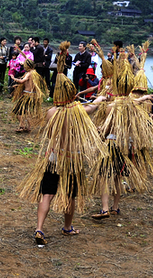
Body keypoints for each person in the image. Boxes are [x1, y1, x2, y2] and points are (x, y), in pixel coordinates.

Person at [19, 42, 107, 246]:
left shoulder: (51, 112)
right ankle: (67, 227)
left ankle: (39, 228)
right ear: (71, 93)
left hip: (53, 156)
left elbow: (50, 134)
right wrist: (101, 97)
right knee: (70, 194)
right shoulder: (79, 111)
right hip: (72, 159)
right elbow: (93, 106)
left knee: (47, 193)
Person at [90, 54, 153, 221]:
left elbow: (108, 129)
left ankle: (104, 208)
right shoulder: (133, 106)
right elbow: (134, 126)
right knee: (118, 176)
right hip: (126, 145)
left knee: (104, 175)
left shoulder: (111, 107)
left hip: (112, 143)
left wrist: (98, 132)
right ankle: (115, 208)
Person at [11, 59, 48, 133]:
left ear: (28, 66)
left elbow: (22, 81)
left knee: (18, 111)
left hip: (27, 95)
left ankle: (22, 126)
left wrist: (13, 78)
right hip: (33, 95)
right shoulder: (36, 74)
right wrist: (18, 86)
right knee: (25, 111)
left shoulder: (29, 73)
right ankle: (28, 127)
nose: (24, 67)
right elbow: (31, 84)